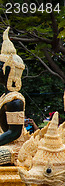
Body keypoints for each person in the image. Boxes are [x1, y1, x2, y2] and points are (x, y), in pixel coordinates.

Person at [0, 28, 26, 165]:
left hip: (15, 148)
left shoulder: (15, 100)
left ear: (8, 70)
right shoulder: (5, 97)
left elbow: (14, 133)